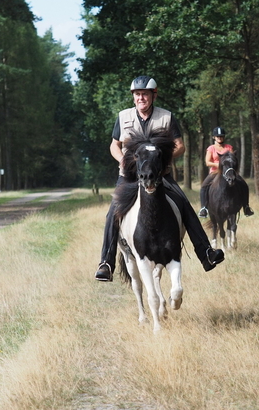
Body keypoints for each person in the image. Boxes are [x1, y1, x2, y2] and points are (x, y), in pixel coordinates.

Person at [94, 76, 225, 281]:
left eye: (144, 94)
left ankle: (206, 253)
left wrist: (161, 159)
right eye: (137, 94)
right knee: (113, 212)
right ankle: (106, 263)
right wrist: (121, 159)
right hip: (129, 176)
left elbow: (180, 145)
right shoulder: (123, 117)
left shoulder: (166, 117)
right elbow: (114, 144)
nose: (140, 98)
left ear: (153, 95)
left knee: (184, 204)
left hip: (160, 175)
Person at [198, 127, 233, 218]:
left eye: (221, 136)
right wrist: (219, 165)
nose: (220, 138)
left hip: (228, 172)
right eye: (218, 136)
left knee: (242, 184)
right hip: (215, 172)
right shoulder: (211, 148)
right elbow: (207, 162)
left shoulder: (229, 147)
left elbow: (232, 159)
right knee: (204, 187)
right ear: (214, 137)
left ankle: (246, 206)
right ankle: (204, 208)